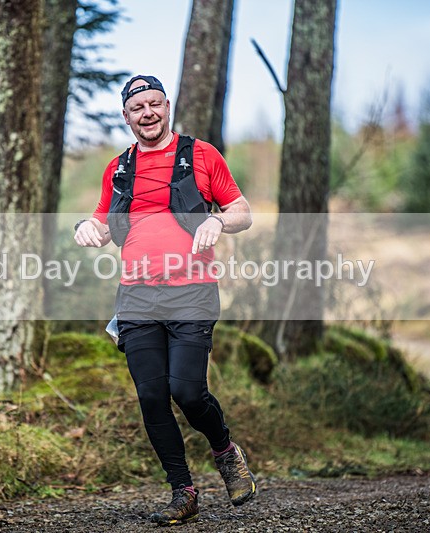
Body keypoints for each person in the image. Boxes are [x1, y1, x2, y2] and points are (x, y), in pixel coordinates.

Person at [74, 74, 254, 526]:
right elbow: (99, 221)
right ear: (127, 116)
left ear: (167, 106)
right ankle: (183, 492)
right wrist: (86, 229)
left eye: (155, 103)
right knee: (152, 396)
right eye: (138, 107)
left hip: (192, 291)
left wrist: (219, 222)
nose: (148, 113)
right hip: (136, 296)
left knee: (187, 391)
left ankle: (226, 453)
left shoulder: (201, 154)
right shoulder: (118, 168)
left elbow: (242, 211)